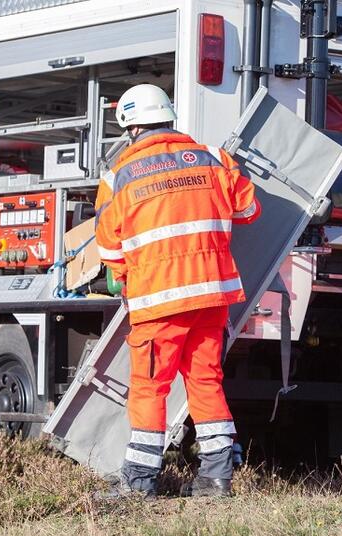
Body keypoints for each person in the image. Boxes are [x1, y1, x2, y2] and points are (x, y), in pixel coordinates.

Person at [94, 84, 260, 498]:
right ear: (168, 119)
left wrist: (126, 276)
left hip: (158, 300)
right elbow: (249, 210)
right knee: (205, 381)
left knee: (151, 387)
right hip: (211, 295)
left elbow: (108, 248)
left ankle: (138, 482)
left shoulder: (118, 177)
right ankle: (216, 477)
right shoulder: (214, 159)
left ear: (131, 128)